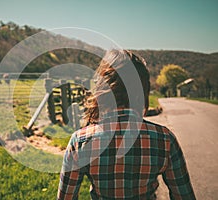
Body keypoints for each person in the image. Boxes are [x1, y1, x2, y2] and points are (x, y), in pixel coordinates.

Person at [57, 49, 196, 199]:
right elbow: (184, 195)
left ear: (102, 89)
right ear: (142, 91)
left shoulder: (80, 141)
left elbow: (66, 197)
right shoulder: (165, 139)